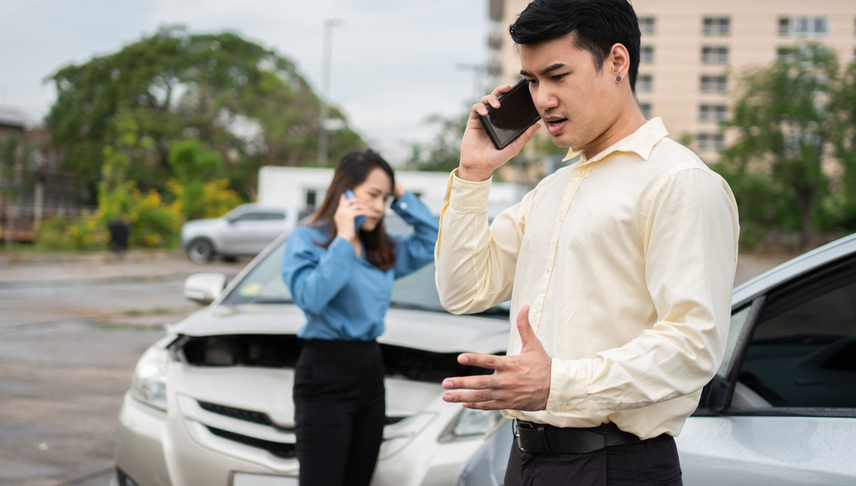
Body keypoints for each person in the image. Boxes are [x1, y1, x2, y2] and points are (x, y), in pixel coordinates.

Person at [434, 1, 739, 484]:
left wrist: (557, 382)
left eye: (558, 75)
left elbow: (692, 346)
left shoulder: (679, 181)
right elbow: (462, 290)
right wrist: (473, 174)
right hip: (526, 458)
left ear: (617, 62)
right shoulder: (553, 188)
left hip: (614, 463)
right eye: (532, 81)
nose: (542, 98)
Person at [281, 148, 438, 486]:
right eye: (372, 195)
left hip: (369, 371)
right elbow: (312, 299)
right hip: (324, 373)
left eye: (385, 198)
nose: (380, 207)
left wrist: (400, 194)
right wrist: (344, 240)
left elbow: (433, 239)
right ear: (345, 191)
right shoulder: (307, 239)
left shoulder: (381, 249)